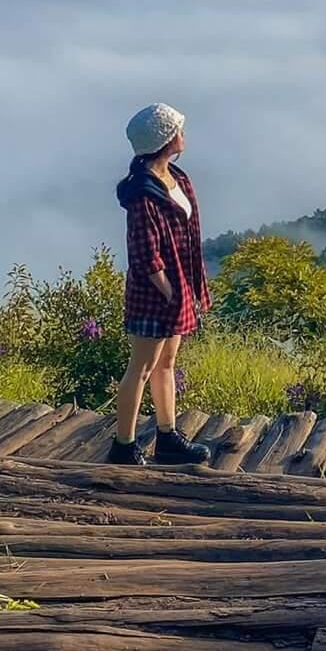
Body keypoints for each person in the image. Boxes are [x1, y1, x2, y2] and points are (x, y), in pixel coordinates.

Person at [111, 103, 214, 466]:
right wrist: (171, 293)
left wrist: (190, 289)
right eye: (178, 130)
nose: (183, 134)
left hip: (176, 288)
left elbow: (188, 236)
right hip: (154, 294)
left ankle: (167, 437)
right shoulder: (143, 194)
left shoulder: (177, 178)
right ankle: (123, 446)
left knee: (166, 363)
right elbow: (145, 254)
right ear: (165, 139)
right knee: (141, 367)